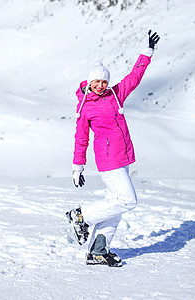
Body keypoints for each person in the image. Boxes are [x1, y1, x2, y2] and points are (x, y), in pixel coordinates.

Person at [66, 30, 161, 267]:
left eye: (104, 81)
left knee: (114, 207)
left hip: (124, 157)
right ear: (89, 82)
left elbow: (135, 76)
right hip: (109, 162)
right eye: (96, 81)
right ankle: (82, 216)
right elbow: (81, 139)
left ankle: (98, 250)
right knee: (128, 201)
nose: (100, 85)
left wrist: (147, 53)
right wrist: (78, 166)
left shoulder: (115, 95)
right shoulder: (86, 107)